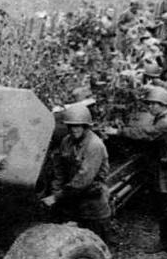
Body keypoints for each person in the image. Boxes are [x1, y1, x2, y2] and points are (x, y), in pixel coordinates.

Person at [103, 86, 167, 259]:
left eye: (153, 104)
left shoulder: (165, 123)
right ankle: (166, 243)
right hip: (161, 170)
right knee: (161, 209)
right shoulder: (161, 118)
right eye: (149, 104)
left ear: (162, 105)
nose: (149, 107)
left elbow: (145, 133)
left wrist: (118, 132)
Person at [43, 104, 114, 243]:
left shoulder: (94, 145)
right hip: (73, 196)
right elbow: (59, 169)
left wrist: (56, 197)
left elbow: (83, 179)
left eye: (78, 126)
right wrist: (55, 190)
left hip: (93, 198)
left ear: (86, 126)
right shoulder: (66, 141)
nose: (74, 130)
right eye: (71, 126)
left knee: (98, 240)